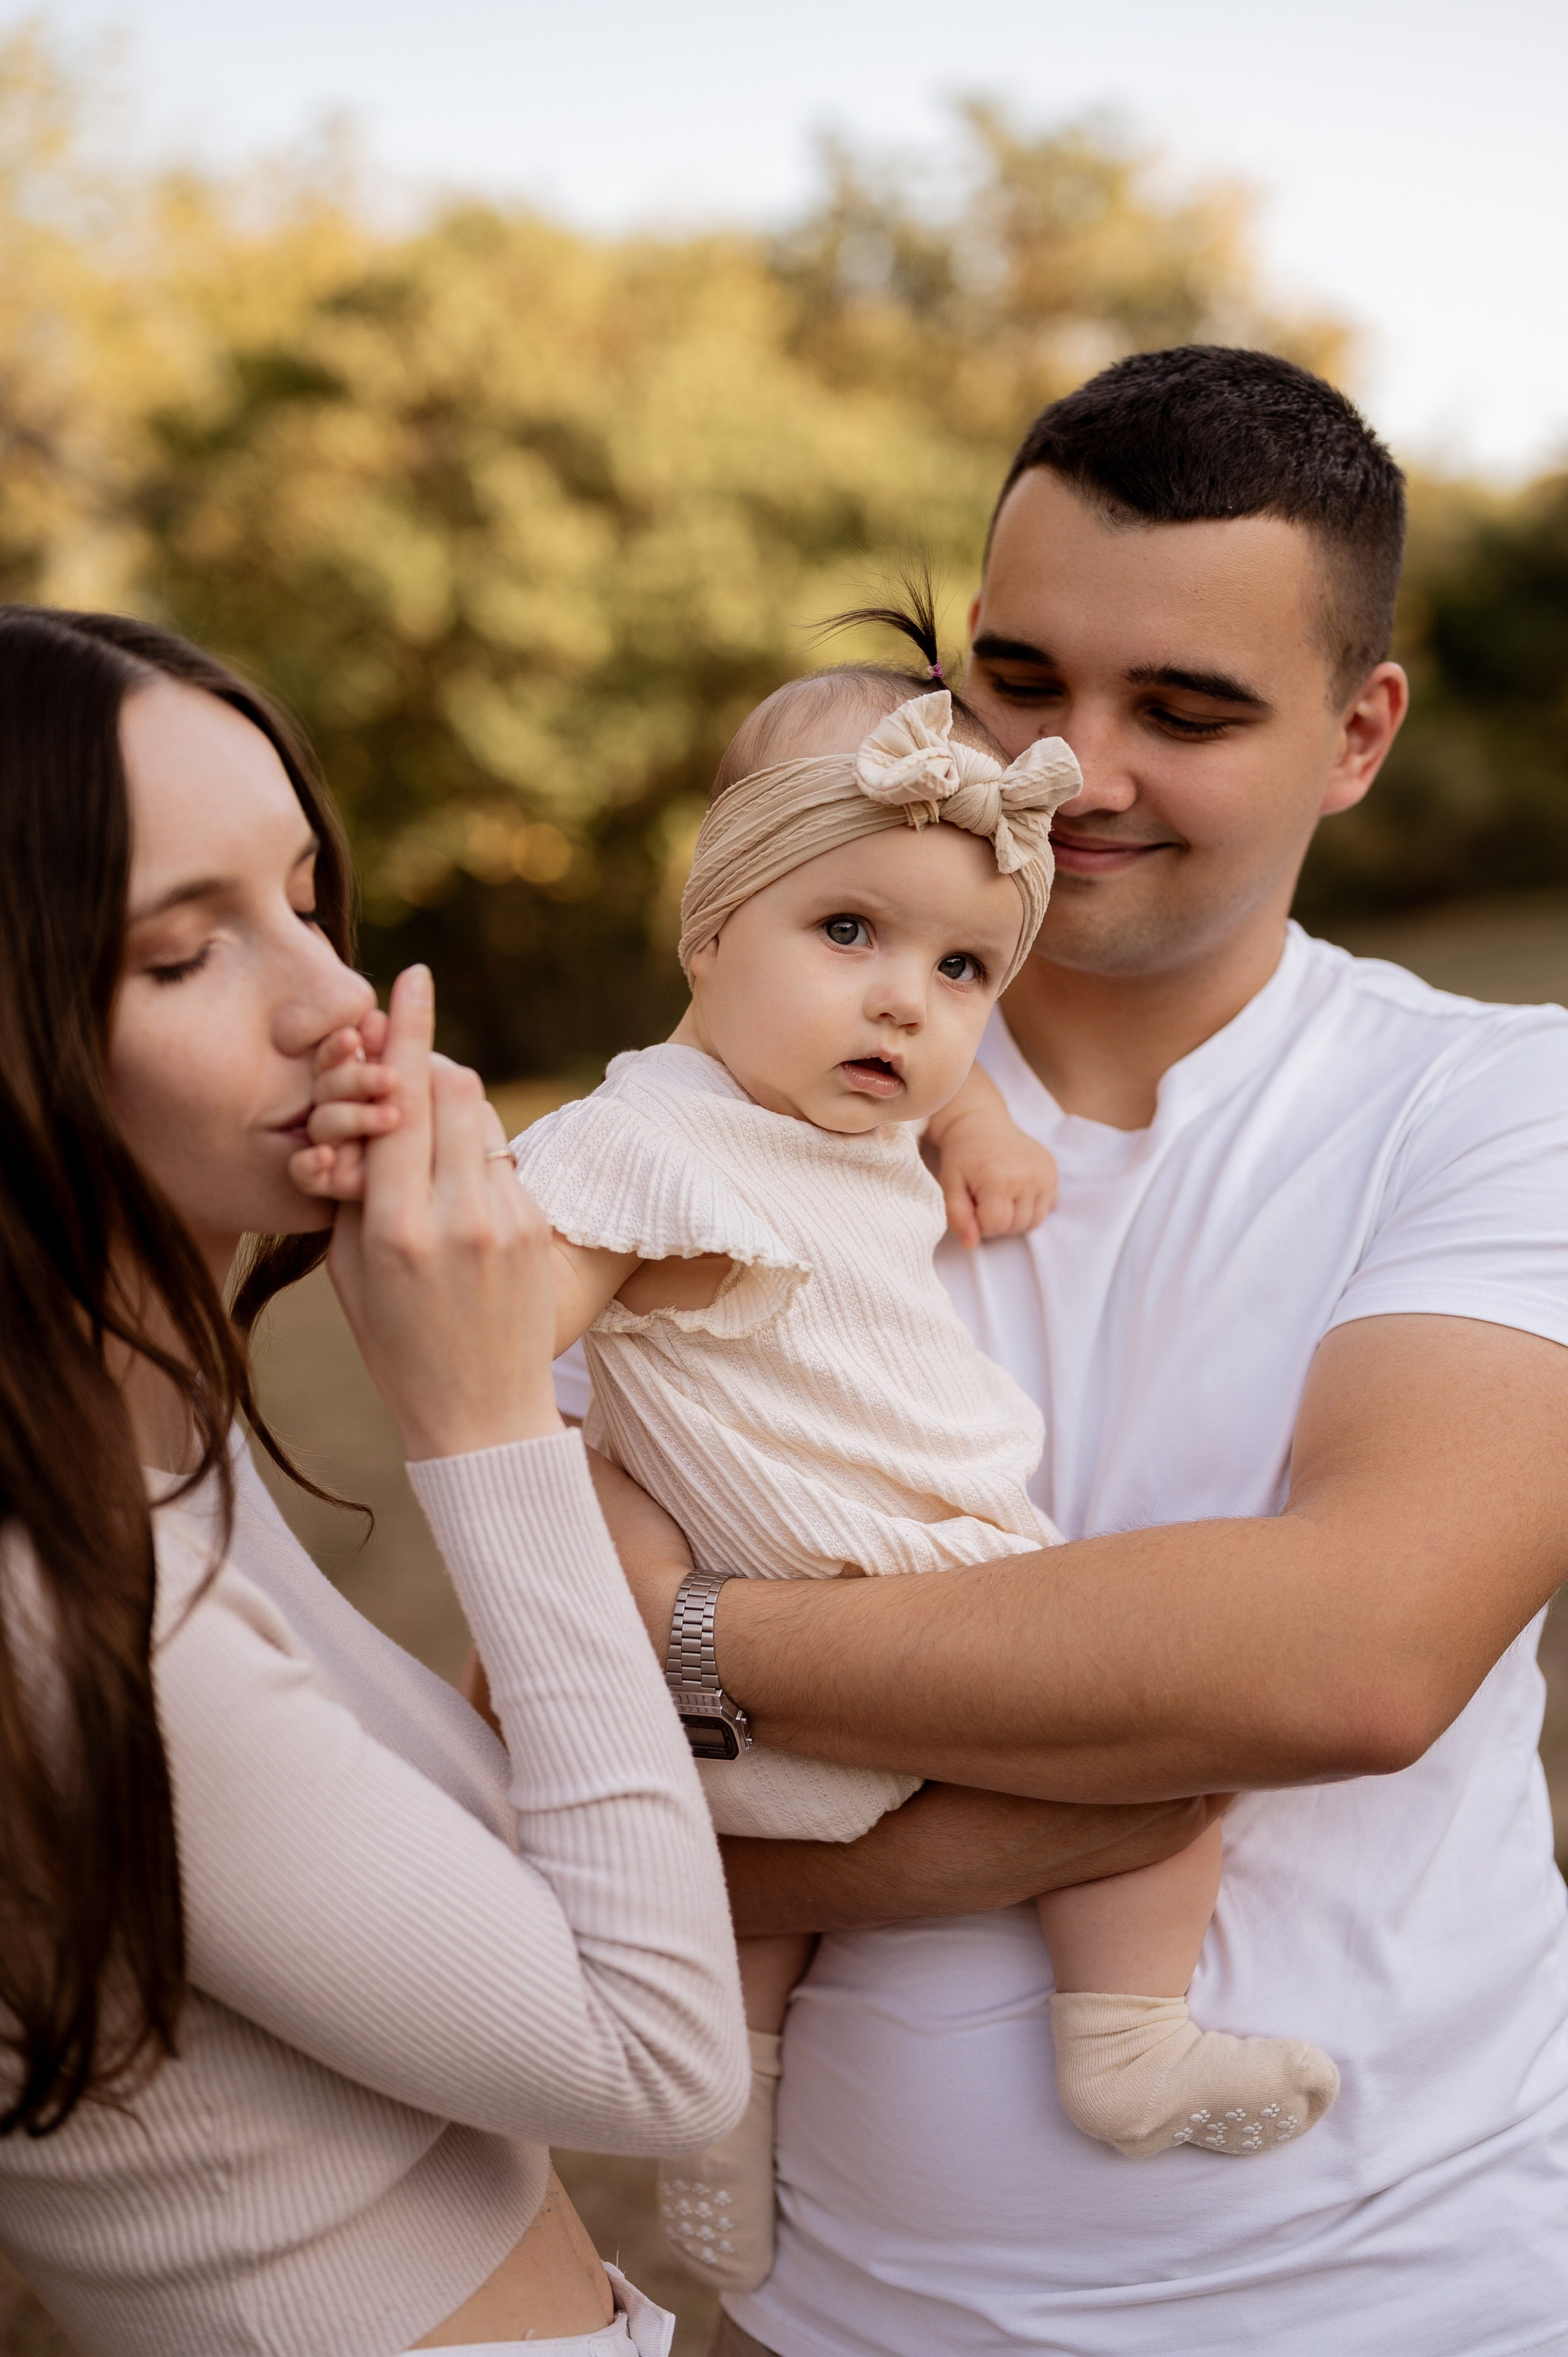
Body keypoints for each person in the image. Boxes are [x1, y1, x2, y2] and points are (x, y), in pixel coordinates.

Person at [603, 348, 1568, 2356]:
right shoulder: (739, 1110)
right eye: (1020, 684)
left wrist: (705, 1646)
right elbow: (551, 1760)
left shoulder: (1495, 1103)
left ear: (1360, 732)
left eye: (1185, 711)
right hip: (835, 2320)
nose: (1073, 773)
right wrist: (1119, 1779)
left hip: (1400, 2302)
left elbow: (1356, 1658)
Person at [0, 607, 750, 2357]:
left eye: (307, 898)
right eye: (184, 956)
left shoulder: (138, 1419)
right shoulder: (61, 1591)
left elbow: (486, 1869)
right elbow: (655, 2055)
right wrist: (490, 1426)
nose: (337, 1002)